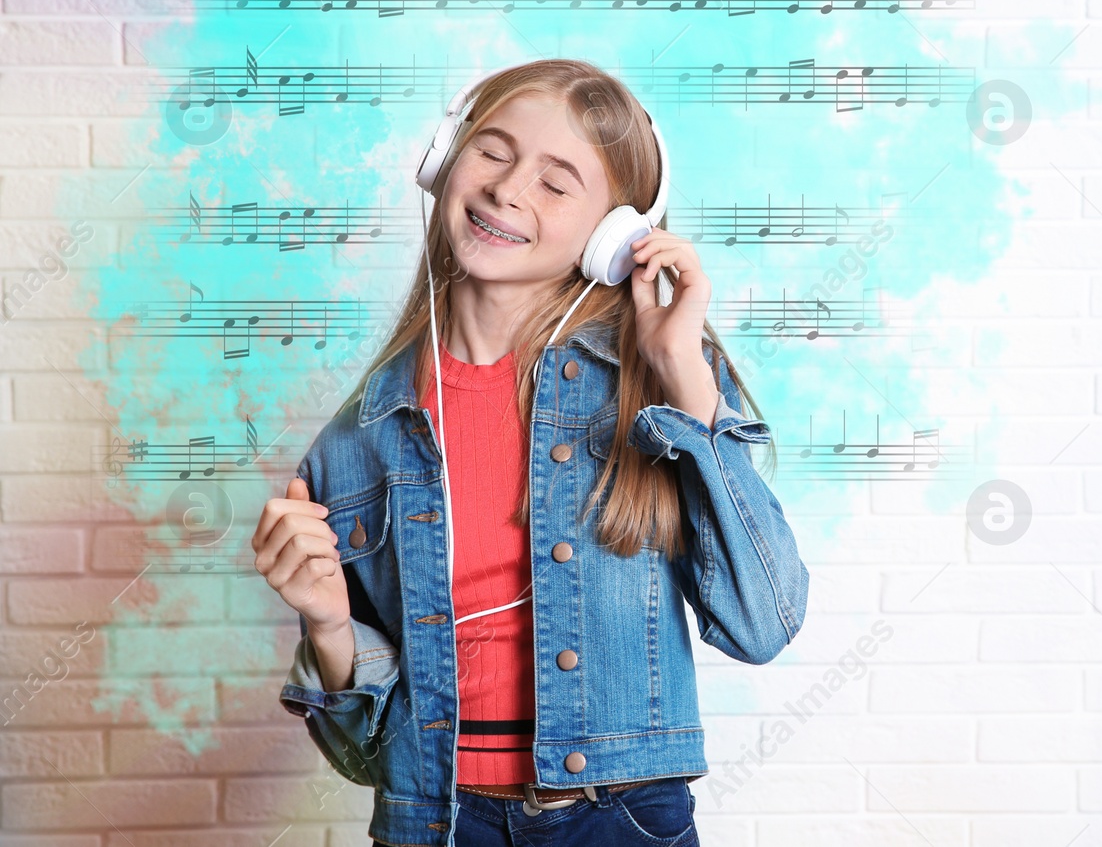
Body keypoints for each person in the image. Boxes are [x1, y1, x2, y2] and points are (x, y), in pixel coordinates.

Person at [250, 59, 809, 846]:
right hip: (434, 822)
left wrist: (683, 370)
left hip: (619, 819)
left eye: (557, 182)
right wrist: (328, 625)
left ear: (614, 239)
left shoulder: (653, 391)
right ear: (444, 162)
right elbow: (360, 756)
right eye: (493, 150)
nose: (509, 189)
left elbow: (764, 623)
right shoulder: (362, 436)